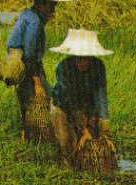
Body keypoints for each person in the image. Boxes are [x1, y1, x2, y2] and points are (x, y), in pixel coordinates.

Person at [5, 0, 73, 140]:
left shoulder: (26, 13)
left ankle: (28, 136)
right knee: (44, 99)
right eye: (52, 6)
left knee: (26, 102)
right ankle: (39, 136)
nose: (53, 11)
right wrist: (37, 81)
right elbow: (29, 53)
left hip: (22, 63)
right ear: (44, 4)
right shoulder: (35, 21)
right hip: (27, 66)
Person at [49, 29, 114, 165]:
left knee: (93, 140)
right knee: (68, 142)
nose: (82, 62)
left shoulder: (98, 66)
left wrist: (105, 130)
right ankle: (66, 167)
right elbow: (70, 100)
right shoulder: (63, 67)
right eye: (79, 57)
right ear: (73, 56)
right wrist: (83, 130)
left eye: (86, 58)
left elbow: (100, 96)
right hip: (63, 106)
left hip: (86, 107)